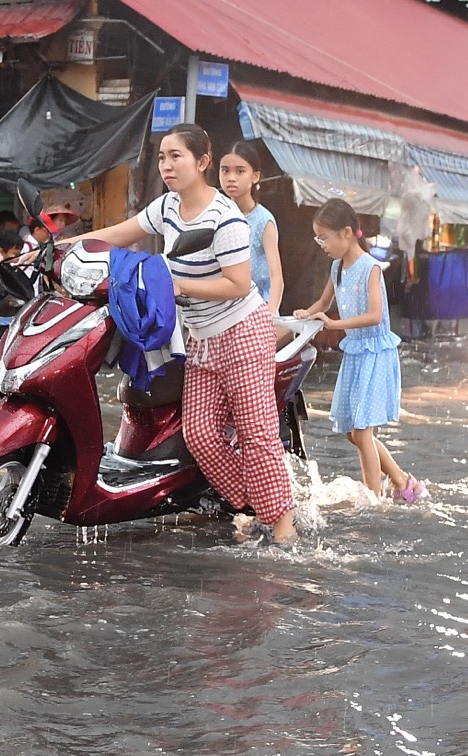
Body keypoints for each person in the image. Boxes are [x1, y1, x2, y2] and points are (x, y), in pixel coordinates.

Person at [61, 124, 298, 545]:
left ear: (202, 162)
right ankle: (254, 504)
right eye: (162, 157)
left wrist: (180, 286)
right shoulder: (168, 206)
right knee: (201, 435)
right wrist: (68, 246)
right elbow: (123, 233)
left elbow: (239, 284)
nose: (167, 165)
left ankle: (283, 527)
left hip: (242, 332)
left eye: (177, 157)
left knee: (256, 432)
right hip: (201, 338)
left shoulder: (225, 218)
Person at [300, 197, 425, 503]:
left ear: (345, 233)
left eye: (324, 237)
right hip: (355, 353)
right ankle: (401, 481)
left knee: (363, 431)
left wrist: (333, 324)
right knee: (351, 431)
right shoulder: (336, 268)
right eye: (318, 238)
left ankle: (374, 500)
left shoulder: (370, 268)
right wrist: (305, 315)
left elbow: (375, 315)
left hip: (374, 354)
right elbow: (324, 303)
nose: (321, 244)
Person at [217, 138, 284, 316]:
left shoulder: (263, 220)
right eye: (225, 171)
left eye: (240, 171)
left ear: (255, 176)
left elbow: (276, 276)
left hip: (257, 308)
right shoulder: (217, 215)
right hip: (222, 309)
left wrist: (269, 316)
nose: (231, 178)